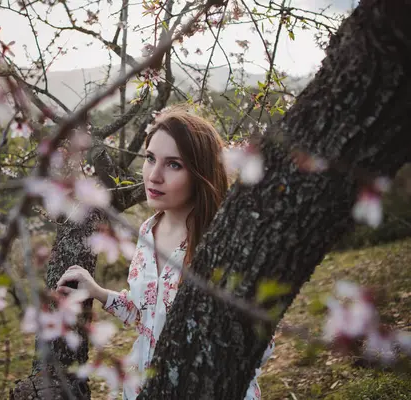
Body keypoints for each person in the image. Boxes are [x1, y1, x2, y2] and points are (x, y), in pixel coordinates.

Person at [56, 106, 274, 399]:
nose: (153, 175)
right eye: (150, 159)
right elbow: (143, 314)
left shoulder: (224, 240)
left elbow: (259, 343)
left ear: (201, 172)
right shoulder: (147, 230)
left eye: (174, 165)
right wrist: (97, 291)